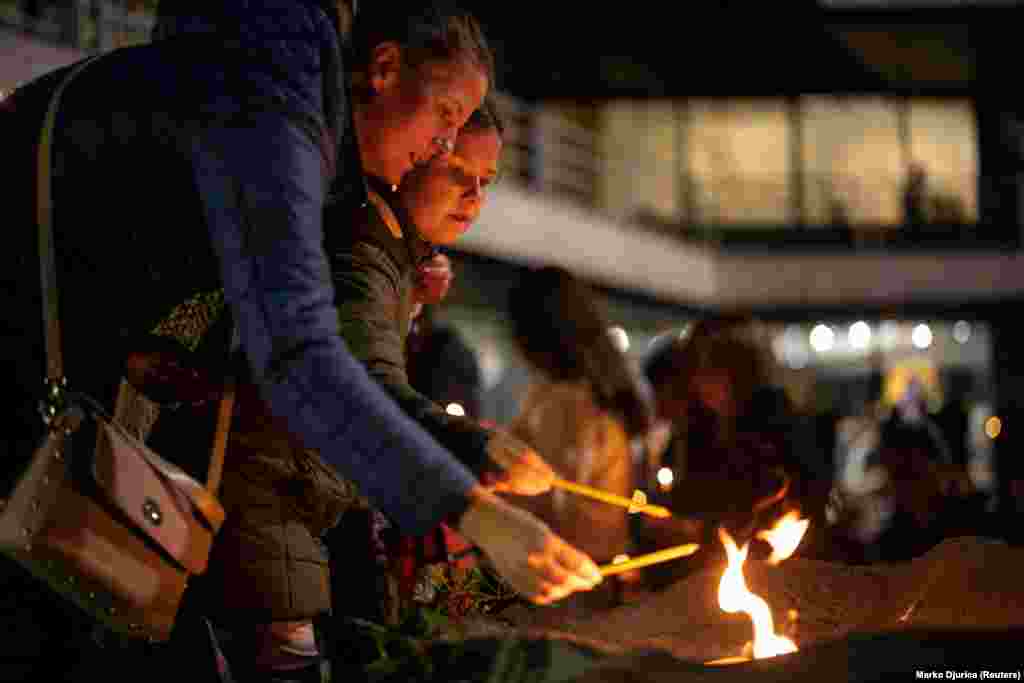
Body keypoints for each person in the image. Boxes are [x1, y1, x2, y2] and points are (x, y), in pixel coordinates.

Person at [0, 2, 600, 679]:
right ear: (383, 69)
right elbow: (296, 352)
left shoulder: (289, 88)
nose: (443, 147)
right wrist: (473, 509)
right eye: (446, 117)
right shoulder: (274, 60)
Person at [504, 266, 658, 606]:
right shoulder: (609, 390)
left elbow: (551, 495)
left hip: (567, 577)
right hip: (602, 569)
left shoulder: (566, 401)